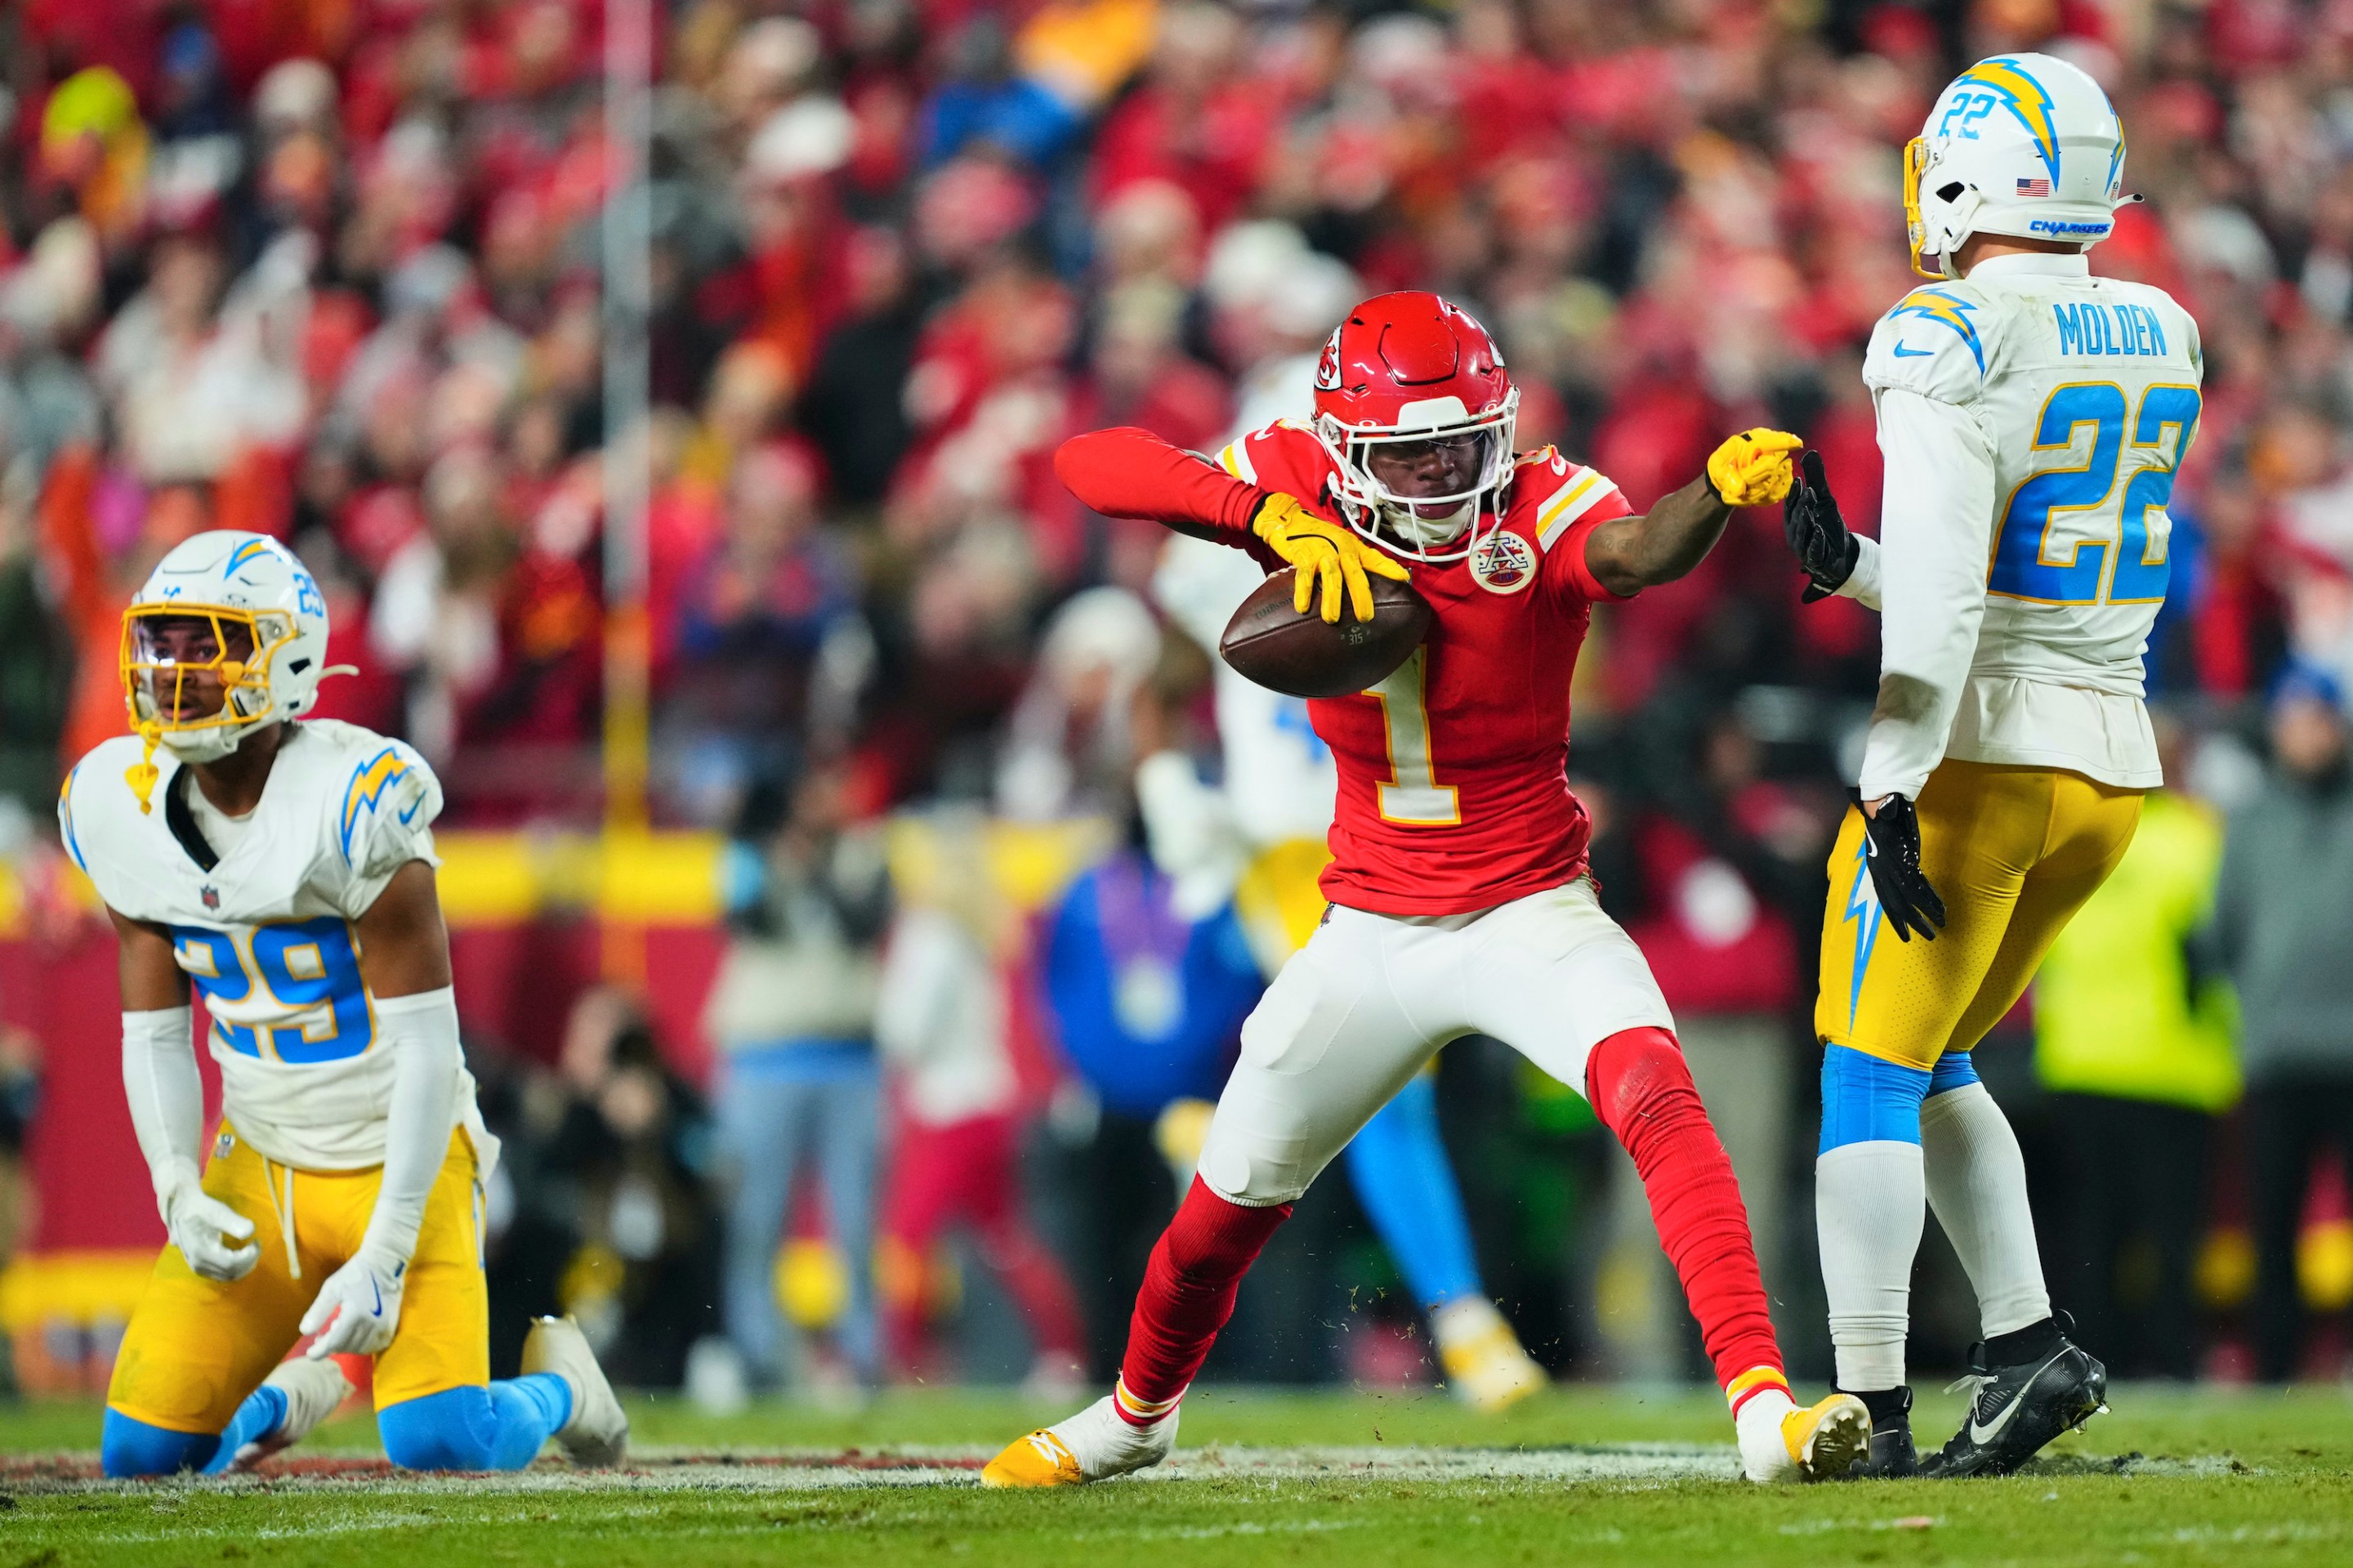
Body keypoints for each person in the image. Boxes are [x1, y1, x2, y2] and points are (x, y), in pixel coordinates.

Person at [983, 290, 1868, 1487]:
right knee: (1225, 1200)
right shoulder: (1298, 476)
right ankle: (1139, 1413)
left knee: (1660, 1091)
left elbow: (1632, 552)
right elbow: (1097, 463)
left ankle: (1765, 1408)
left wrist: (1710, 492)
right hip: (1370, 926)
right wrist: (1266, 522)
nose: (1449, 472)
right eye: (1414, 451)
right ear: (1349, 447)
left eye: (1466, 441)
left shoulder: (1541, 501)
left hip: (1528, 905)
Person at [1780, 55, 2203, 1476]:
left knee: (1865, 1068)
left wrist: (1892, 771)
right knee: (1937, 1051)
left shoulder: (1944, 330)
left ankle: (1869, 1407)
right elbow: (2015, 582)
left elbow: (1960, 605)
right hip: (2109, 767)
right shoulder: (2159, 326)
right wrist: (1855, 577)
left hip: (1977, 755)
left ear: (1966, 175)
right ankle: (2026, 1343)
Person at [68, 531, 626, 1476]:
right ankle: (293, 1393)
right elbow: (153, 1029)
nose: (176, 671)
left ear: (284, 657)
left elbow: (429, 1054)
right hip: (262, 1162)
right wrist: (175, 1180)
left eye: (208, 643)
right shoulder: (112, 802)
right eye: (161, 643)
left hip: (396, 1151)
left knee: (440, 1442)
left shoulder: (356, 800)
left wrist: (389, 1244)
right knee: (142, 1455)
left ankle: (564, 1385)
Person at [1144, 530, 1551, 1409]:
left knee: (1371, 1078)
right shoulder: (1234, 543)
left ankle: (1215, 1130)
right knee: (1393, 1088)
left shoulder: (1423, 534)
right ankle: (1465, 1319)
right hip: (1293, 855)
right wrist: (1168, 777)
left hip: (1392, 830)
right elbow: (1166, 677)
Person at [2034, 714, 2237, 1382]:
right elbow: (2222, 951)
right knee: (2171, 1236)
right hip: (2172, 1063)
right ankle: (2174, 1365)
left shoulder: (2072, 835)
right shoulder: (2198, 839)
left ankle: (2091, 1370)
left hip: (2082, 1059)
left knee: (2092, 1234)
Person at [2213, 666, 2353, 1382]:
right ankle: (2274, 1369)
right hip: (2275, 1052)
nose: (2307, 735)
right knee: (2272, 1227)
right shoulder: (2253, 818)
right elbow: (2227, 928)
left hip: (2348, 1053)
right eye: (2294, 720)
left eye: (2317, 719)